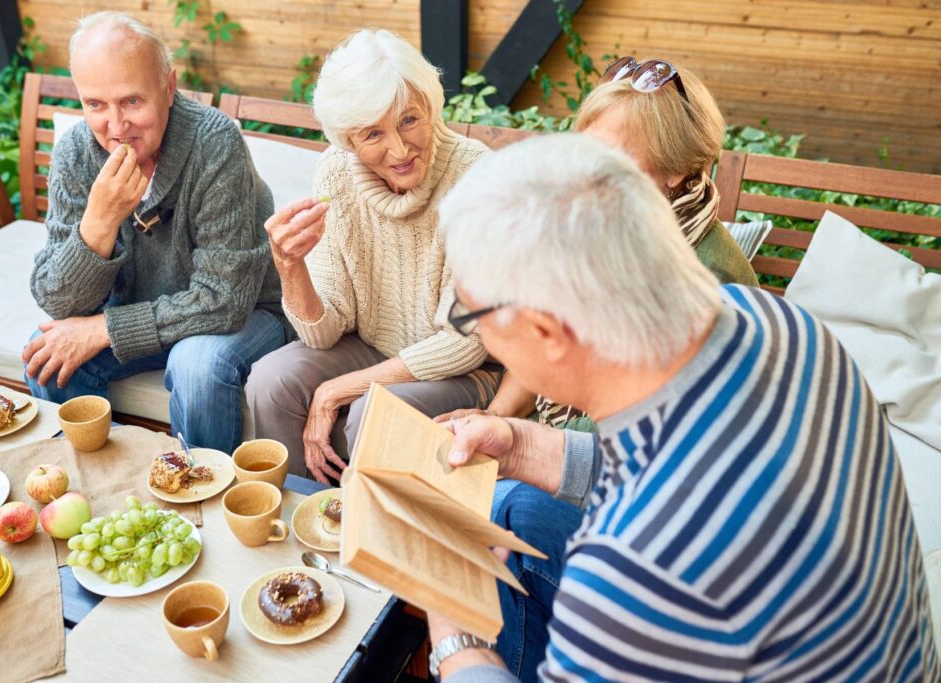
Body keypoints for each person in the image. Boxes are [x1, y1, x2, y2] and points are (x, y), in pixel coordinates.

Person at [424, 135, 938, 682]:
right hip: (861, 648)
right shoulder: (776, 323)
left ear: (547, 331)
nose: (472, 326)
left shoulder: (630, 572)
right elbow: (680, 462)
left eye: (471, 314)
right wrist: (522, 444)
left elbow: (667, 518)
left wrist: (456, 632)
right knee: (510, 509)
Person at [438, 57, 758, 433]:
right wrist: (496, 416)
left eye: (609, 159)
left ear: (676, 169)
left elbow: (641, 421)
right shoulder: (604, 224)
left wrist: (516, 439)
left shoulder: (707, 280)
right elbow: (547, 345)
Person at [24, 12, 286, 454]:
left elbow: (224, 300)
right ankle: (100, 488)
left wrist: (105, 328)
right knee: (45, 356)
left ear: (168, 87)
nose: (115, 126)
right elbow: (57, 300)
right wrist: (99, 223)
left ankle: (200, 498)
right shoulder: (75, 151)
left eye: (131, 102)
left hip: (245, 314)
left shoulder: (215, 144)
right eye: (96, 105)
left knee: (196, 364)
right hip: (148, 316)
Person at [245, 29, 499, 484]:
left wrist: (337, 390)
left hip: (465, 368)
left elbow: (468, 340)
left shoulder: (476, 175)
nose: (400, 150)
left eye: (409, 120)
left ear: (430, 104)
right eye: (373, 134)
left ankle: (366, 543)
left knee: (373, 411)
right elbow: (322, 334)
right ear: (347, 138)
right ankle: (301, 521)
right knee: (271, 381)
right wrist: (289, 267)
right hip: (374, 347)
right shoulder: (336, 172)